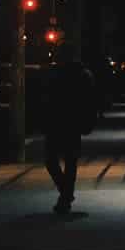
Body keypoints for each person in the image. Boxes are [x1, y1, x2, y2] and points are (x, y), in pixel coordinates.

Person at [43, 44, 96, 214]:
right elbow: (90, 101)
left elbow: (48, 98)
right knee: (69, 162)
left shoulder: (57, 74)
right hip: (72, 124)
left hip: (58, 122)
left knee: (53, 160)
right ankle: (66, 195)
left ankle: (65, 196)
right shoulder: (83, 74)